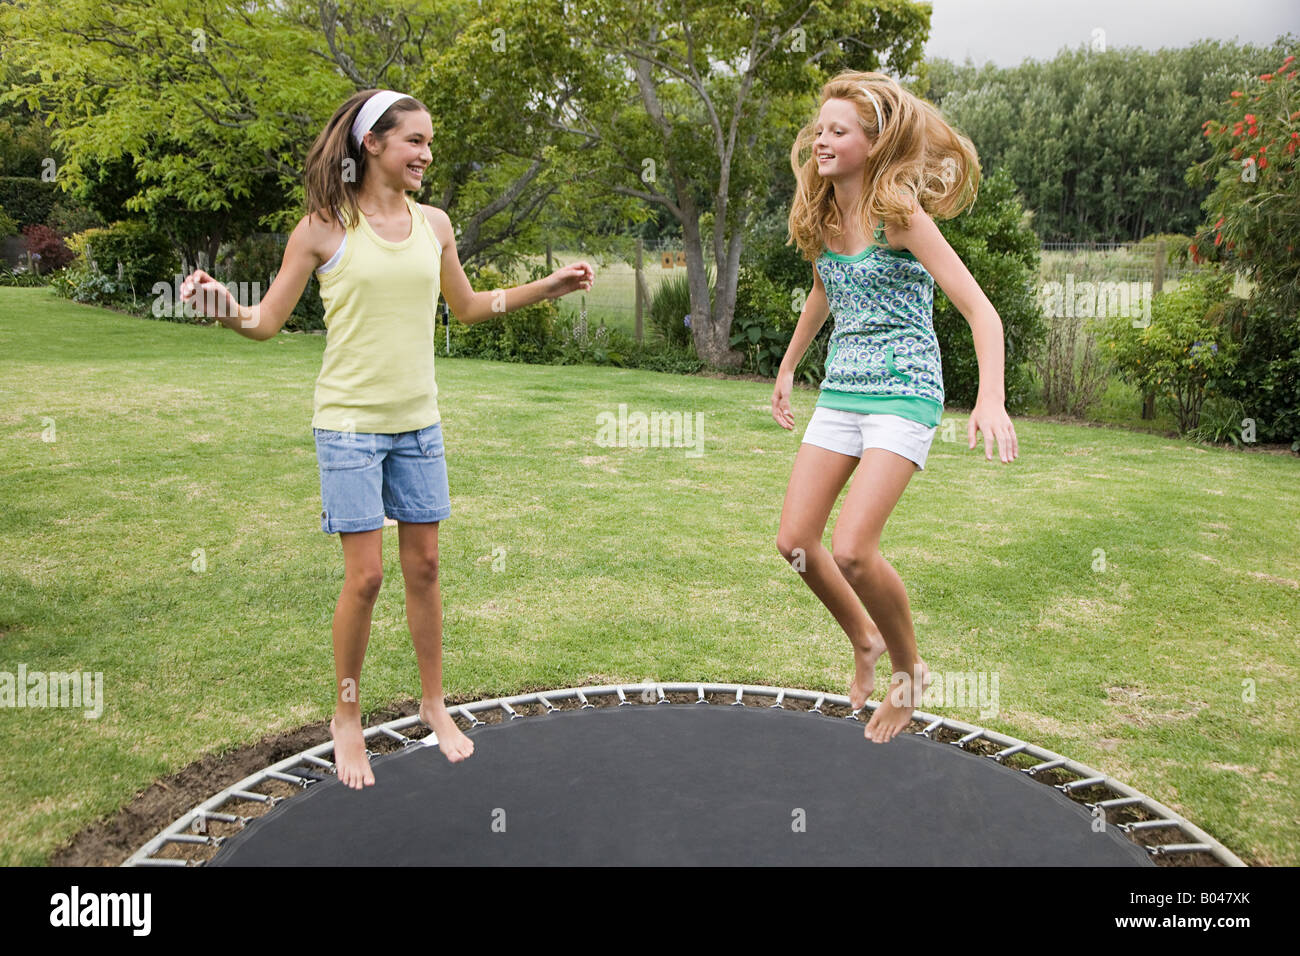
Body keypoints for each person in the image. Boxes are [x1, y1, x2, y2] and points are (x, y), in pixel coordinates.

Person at [180, 89, 594, 787]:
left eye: (430, 144)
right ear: (373, 144)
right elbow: (266, 322)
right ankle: (347, 718)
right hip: (348, 425)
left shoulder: (434, 224)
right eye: (416, 143)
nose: (427, 156)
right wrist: (225, 309)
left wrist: (543, 288)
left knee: (426, 567)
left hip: (418, 423)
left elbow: (465, 307)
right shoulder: (322, 228)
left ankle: (434, 703)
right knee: (366, 577)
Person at [772, 71, 1018, 744]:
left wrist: (989, 398)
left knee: (852, 548)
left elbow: (979, 311)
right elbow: (826, 288)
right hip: (843, 390)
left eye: (839, 131)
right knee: (795, 542)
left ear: (874, 144)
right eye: (819, 129)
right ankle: (865, 639)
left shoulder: (901, 215)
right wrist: (791, 365)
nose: (822, 140)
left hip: (904, 391)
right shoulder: (825, 218)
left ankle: (908, 676)